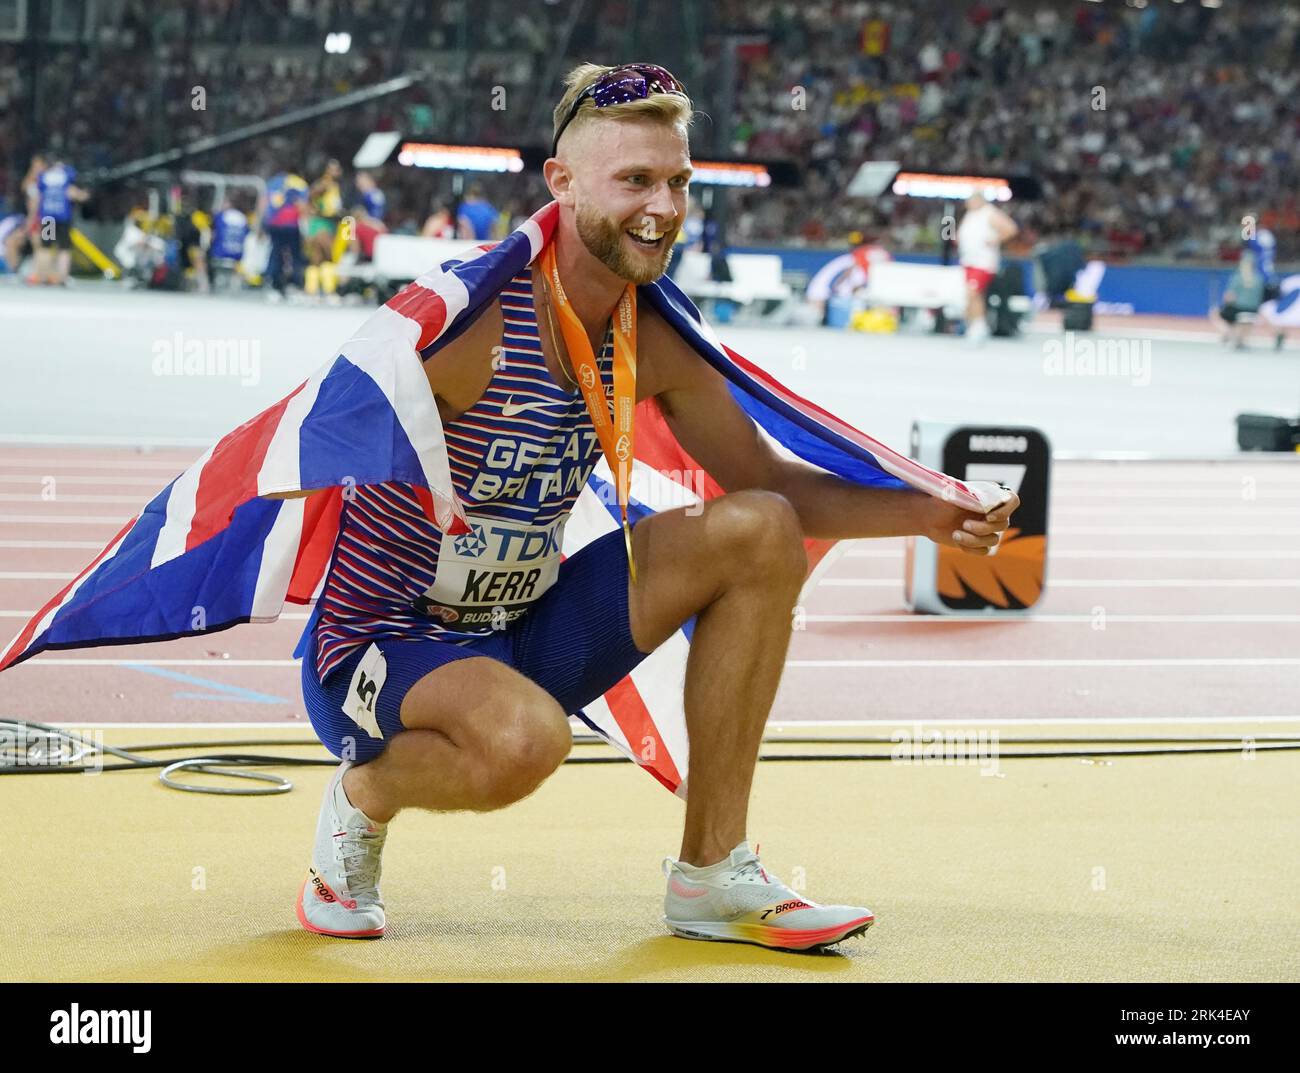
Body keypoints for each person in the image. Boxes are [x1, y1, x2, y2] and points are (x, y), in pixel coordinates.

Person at [285, 62, 1020, 951]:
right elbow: (309, 442)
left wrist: (931, 512)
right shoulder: (463, 324)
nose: (664, 207)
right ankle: (360, 800)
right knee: (526, 742)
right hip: (389, 645)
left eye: (678, 182)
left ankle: (712, 872)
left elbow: (772, 483)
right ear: (560, 183)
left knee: (760, 529)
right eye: (635, 180)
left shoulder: (651, 329)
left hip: (524, 627)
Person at [956, 193, 1017, 344]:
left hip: (982, 262)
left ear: (979, 200)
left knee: (973, 293)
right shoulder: (970, 214)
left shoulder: (990, 213)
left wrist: (995, 239)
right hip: (968, 260)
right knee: (973, 295)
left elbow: (1011, 229)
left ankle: (979, 326)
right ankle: (973, 325)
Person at [28, 153, 90, 286]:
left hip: (48, 216)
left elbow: (38, 196)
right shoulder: (67, 175)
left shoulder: (44, 176)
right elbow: (73, 193)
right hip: (63, 216)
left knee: (45, 247)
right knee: (64, 248)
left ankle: (43, 277)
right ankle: (62, 278)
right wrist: (85, 195)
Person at [258, 169, 309, 298]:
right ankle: (296, 284)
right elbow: (302, 204)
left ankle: (274, 283)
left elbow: (263, 203)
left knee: (276, 253)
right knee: (295, 255)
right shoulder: (299, 183)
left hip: (274, 223)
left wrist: (262, 223)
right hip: (291, 224)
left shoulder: (272, 183)